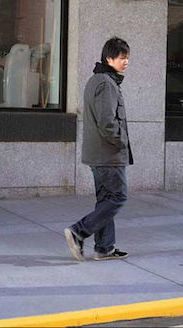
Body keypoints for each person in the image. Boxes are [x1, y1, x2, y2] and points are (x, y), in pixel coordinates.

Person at [64, 37, 133, 261]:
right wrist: (121, 141)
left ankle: (104, 248)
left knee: (105, 200)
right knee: (118, 197)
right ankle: (79, 231)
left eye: (127, 58)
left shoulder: (99, 80)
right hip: (108, 155)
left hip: (100, 154)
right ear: (109, 58)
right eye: (122, 58)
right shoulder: (106, 84)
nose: (126, 62)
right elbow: (107, 123)